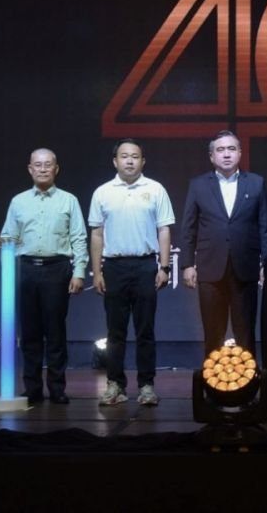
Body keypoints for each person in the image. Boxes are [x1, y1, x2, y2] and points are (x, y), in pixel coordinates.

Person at [88, 139, 175, 407]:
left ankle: (147, 386)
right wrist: (97, 271)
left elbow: (164, 229)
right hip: (114, 267)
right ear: (115, 161)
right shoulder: (103, 192)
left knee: (145, 331)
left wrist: (164, 267)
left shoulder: (155, 189)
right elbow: (97, 233)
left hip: (145, 266)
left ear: (143, 161)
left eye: (135, 156)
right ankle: (115, 385)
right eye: (124, 156)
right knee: (115, 332)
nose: (129, 161)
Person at [1, 148, 89, 406]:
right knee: (29, 333)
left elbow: (79, 238)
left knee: (55, 332)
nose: (42, 169)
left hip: (57, 269)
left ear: (56, 169)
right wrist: (7, 273)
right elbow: (8, 238)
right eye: (37, 165)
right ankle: (32, 388)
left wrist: (79, 272)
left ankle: (57, 388)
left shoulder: (68, 200)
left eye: (47, 164)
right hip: (26, 269)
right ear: (30, 169)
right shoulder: (18, 202)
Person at [179, 130, 267, 356]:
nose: (226, 154)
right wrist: (187, 264)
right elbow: (189, 227)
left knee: (245, 331)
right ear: (212, 157)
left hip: (246, 267)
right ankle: (212, 378)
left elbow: (265, 227)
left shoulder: (256, 183)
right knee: (213, 332)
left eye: (231, 149)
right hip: (210, 267)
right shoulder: (198, 185)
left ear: (240, 153)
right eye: (220, 150)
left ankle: (249, 377)